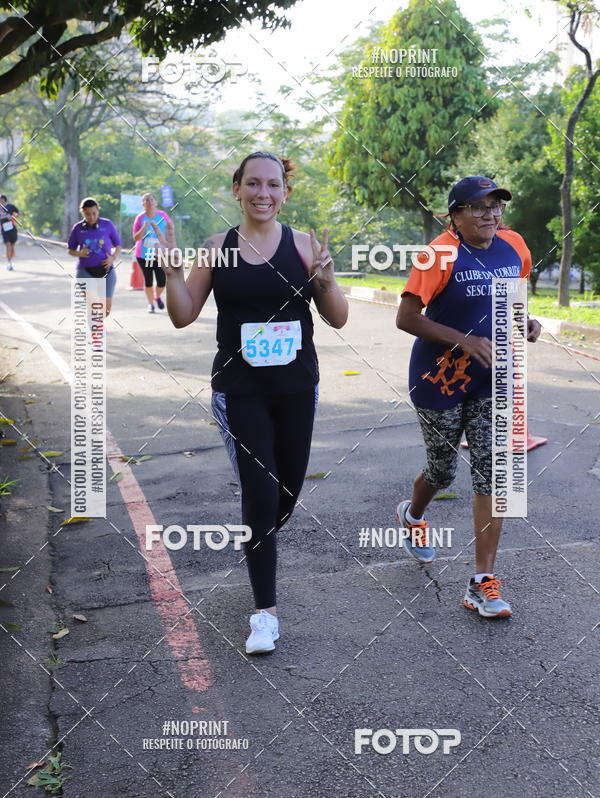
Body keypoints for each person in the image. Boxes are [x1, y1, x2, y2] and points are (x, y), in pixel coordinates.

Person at [163, 152, 348, 653]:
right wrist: (172, 273)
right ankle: (264, 612)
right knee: (261, 491)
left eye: (272, 184)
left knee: (285, 491)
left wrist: (327, 283)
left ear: (285, 191)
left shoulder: (307, 247)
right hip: (238, 389)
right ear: (236, 189)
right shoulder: (216, 249)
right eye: (252, 184)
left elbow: (338, 318)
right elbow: (182, 316)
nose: (262, 193)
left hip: (295, 387)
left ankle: (255, 536)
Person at [396, 175, 542, 619]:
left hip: (492, 377)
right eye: (478, 208)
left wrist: (526, 323)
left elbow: (512, 301)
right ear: (454, 216)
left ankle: (482, 581)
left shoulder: (514, 245)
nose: (490, 215)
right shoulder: (438, 253)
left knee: (494, 475)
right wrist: (463, 340)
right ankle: (413, 515)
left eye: (495, 206)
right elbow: (406, 318)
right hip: (437, 377)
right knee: (441, 471)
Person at [67, 197, 122, 317]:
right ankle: (95, 333)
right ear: (82, 213)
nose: (91, 217)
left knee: (105, 311)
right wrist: (79, 253)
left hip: (107, 270)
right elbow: (70, 250)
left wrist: (112, 258)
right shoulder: (77, 228)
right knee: (93, 305)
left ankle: (96, 327)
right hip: (85, 271)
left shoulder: (107, 224)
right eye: (87, 214)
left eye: (94, 213)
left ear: (98, 210)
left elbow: (118, 246)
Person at [132, 193, 173, 313]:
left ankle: (156, 296)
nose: (149, 202)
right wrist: (144, 227)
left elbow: (171, 229)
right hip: (143, 255)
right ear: (143, 204)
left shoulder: (163, 216)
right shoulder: (140, 218)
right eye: (146, 200)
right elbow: (135, 237)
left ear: (156, 203)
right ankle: (150, 304)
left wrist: (169, 245)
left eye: (151, 199)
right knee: (148, 280)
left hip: (160, 254)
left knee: (161, 281)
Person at [0, 194, 19, 271]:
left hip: (12, 228)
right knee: (8, 245)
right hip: (4, 229)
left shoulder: (11, 206)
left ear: (3, 199)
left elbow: (19, 213)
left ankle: (10, 261)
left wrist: (13, 217)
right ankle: (9, 263)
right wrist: (5, 217)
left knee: (12, 246)